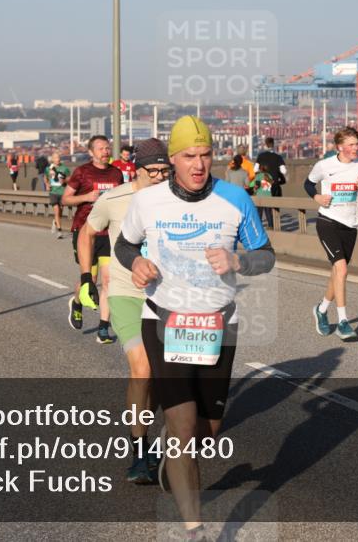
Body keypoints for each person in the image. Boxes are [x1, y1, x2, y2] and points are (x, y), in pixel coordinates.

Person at [115, 116, 275, 535]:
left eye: (205, 155)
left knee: (208, 431)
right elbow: (124, 243)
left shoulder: (236, 198)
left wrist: (239, 260)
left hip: (218, 325)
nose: (199, 164)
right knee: (182, 428)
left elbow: (267, 255)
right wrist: (137, 262)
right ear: (173, 160)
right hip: (163, 320)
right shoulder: (148, 202)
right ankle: (195, 528)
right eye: (189, 156)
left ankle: (174, 460)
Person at [77, 138, 170, 482]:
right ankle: (139, 450)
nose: (161, 176)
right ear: (136, 168)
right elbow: (87, 233)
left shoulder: (178, 199)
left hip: (168, 296)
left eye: (165, 170)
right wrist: (86, 277)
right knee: (142, 366)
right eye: (154, 170)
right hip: (126, 293)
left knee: (165, 374)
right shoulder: (114, 199)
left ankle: (154, 428)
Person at [306, 127, 358, 340]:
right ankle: (344, 322)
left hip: (350, 225)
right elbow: (308, 184)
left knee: (337, 272)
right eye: (352, 144)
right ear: (340, 147)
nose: (356, 147)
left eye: (357, 144)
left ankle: (322, 309)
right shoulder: (325, 166)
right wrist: (317, 198)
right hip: (328, 221)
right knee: (342, 270)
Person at [62, 135, 123, 342]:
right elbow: (65, 198)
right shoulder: (82, 172)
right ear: (91, 152)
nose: (105, 151)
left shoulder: (117, 173)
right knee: (91, 280)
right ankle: (77, 302)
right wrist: (87, 197)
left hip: (108, 233)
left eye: (107, 148)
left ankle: (103, 328)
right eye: (100, 148)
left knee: (108, 281)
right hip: (85, 232)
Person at [255, 136, 287, 229]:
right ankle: (273, 225)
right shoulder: (278, 157)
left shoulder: (261, 156)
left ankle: (260, 226)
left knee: (261, 207)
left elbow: (255, 169)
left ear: (265, 144)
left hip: (263, 185)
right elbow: (284, 171)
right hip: (275, 185)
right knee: (274, 206)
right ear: (274, 145)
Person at [46, 153, 71, 238]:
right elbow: (45, 177)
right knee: (56, 211)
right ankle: (59, 231)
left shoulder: (65, 169)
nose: (58, 159)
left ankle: (55, 222)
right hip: (53, 193)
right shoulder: (48, 169)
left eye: (59, 157)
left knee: (60, 212)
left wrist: (64, 181)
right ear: (52, 159)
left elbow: (69, 179)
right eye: (56, 158)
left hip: (62, 192)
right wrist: (46, 184)